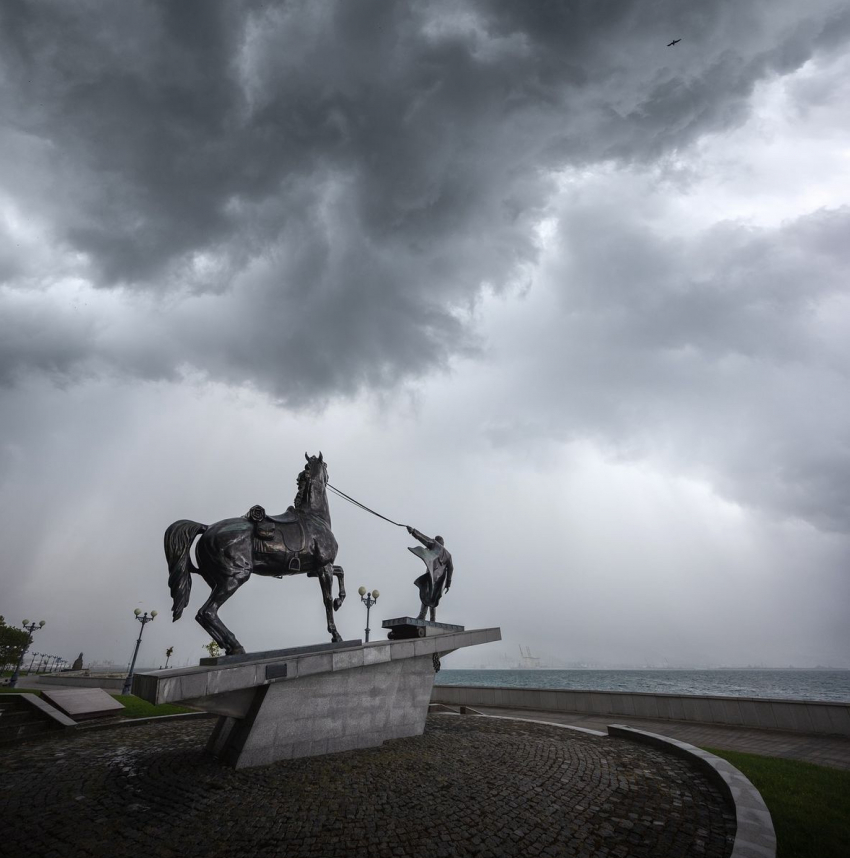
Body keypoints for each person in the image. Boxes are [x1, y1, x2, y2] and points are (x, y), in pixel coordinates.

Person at [407, 526, 453, 622]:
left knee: (426, 593)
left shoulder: (435, 545)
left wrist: (413, 532)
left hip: (431, 574)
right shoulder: (448, 555)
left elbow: (424, 539)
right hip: (439, 578)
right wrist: (448, 583)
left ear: (436, 541)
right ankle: (432, 618)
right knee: (433, 596)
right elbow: (451, 568)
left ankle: (422, 615)